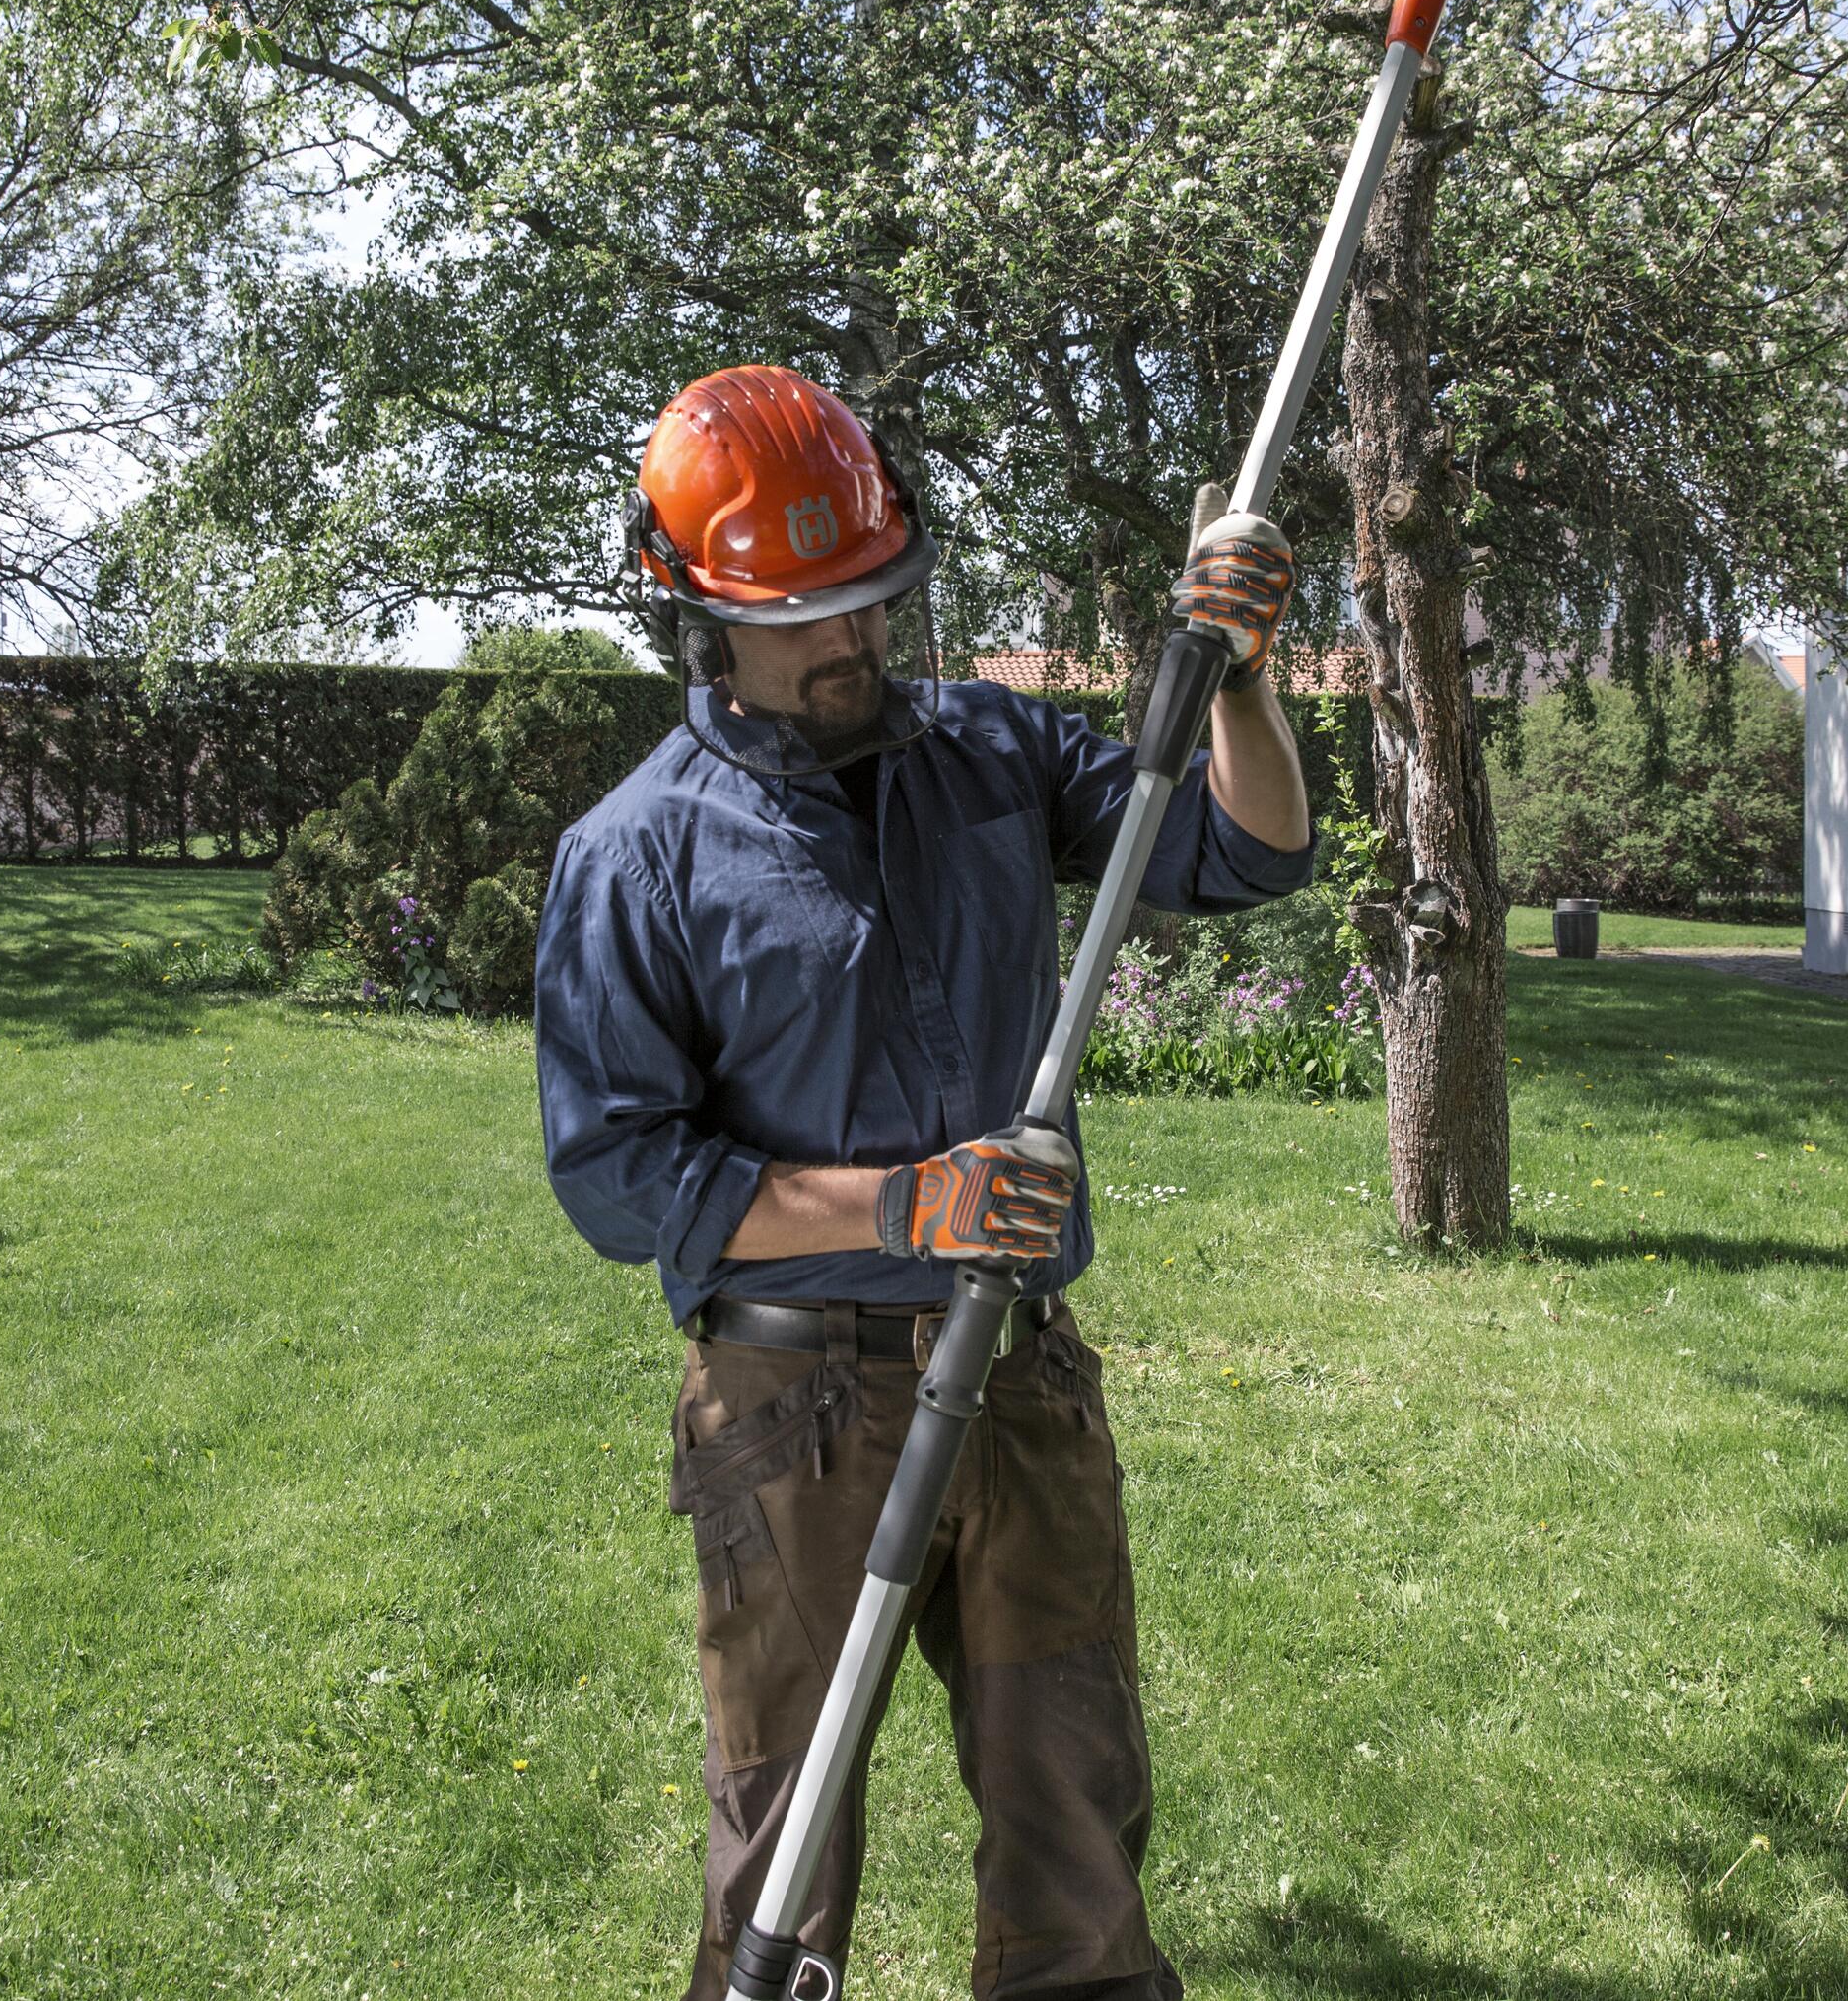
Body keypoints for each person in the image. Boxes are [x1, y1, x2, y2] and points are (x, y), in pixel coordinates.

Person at [534, 365, 1313, 2000]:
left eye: (876, 597)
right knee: (782, 1872)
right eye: (807, 612)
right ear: (696, 609)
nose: (855, 639)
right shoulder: (641, 851)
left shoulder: (992, 756)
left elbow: (1246, 848)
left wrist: (1237, 676)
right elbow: (619, 1175)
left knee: (1078, 1842)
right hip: (795, 1410)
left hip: (1023, 1388)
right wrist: (903, 1205)